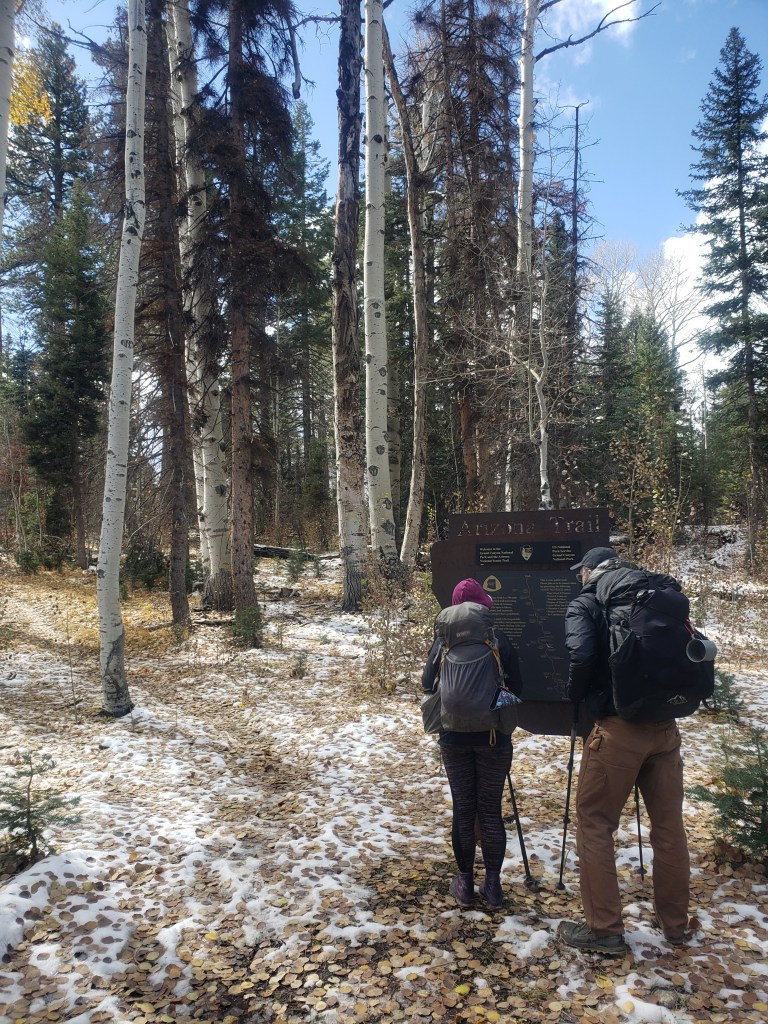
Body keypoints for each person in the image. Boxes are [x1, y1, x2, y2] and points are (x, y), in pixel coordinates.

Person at [559, 547, 691, 956]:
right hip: (665, 727)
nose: (579, 578)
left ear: (590, 571)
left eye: (580, 572)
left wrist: (575, 695)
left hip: (617, 730)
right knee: (668, 828)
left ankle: (604, 930)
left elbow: (581, 655)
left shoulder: (587, 603)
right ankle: (675, 926)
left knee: (595, 822)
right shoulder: (656, 595)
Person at [421, 578, 523, 910]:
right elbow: (518, 686)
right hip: (493, 739)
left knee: (464, 808)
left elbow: (427, 684)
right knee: (490, 810)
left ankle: (464, 884)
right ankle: (492, 887)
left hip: (453, 738)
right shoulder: (497, 639)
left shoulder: (443, 642)